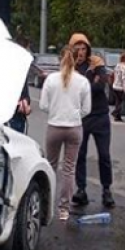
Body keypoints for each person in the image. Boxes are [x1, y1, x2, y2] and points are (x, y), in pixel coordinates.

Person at [39, 45, 91, 221]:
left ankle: (46, 206)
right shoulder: (83, 81)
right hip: (74, 128)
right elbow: (87, 109)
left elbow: (43, 105)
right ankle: (64, 209)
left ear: (59, 59)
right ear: (76, 59)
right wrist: (74, 115)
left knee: (51, 166)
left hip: (54, 126)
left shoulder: (51, 79)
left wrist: (55, 111)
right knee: (69, 169)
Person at [69, 32, 115, 209]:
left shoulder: (96, 62)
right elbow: (72, 89)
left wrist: (88, 82)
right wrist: (90, 80)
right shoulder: (70, 67)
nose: (81, 52)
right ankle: (81, 190)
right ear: (72, 50)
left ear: (88, 49)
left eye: (83, 48)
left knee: (104, 155)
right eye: (77, 49)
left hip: (100, 116)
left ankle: (106, 190)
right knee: (80, 155)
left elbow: (100, 85)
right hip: (81, 117)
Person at [111, 52, 125, 121]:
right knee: (123, 102)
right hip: (121, 88)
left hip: (115, 86)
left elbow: (114, 75)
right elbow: (124, 79)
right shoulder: (124, 68)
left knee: (118, 101)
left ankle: (117, 117)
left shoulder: (117, 66)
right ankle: (115, 113)